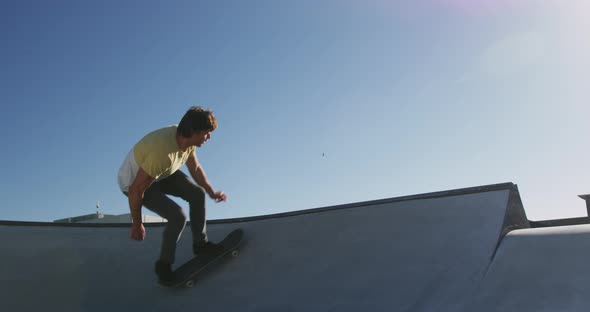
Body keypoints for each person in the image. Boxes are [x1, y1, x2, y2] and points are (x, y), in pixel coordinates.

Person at [117, 106, 227, 282]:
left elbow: (196, 168)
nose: (209, 137)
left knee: (197, 194)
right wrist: (137, 225)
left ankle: (201, 244)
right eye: (206, 133)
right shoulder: (163, 154)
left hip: (161, 173)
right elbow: (135, 191)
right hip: (134, 183)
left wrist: (212, 192)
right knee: (178, 216)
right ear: (193, 131)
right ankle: (164, 266)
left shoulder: (188, 142)